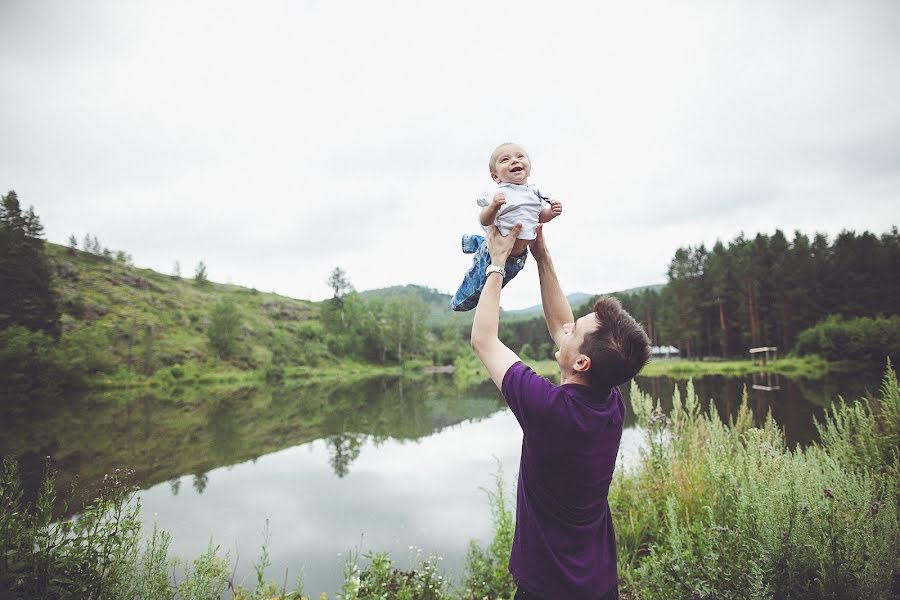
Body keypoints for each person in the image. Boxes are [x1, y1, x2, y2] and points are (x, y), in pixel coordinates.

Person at [470, 223, 652, 600]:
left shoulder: (549, 410)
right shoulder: (610, 401)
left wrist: (496, 264)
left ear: (582, 362)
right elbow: (560, 324)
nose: (565, 329)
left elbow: (484, 339)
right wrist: (541, 254)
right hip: (599, 584)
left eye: (574, 332)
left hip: (548, 588)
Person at [450, 142, 563, 311]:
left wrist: (551, 213)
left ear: (529, 169)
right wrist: (493, 206)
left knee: (496, 286)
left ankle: (475, 242)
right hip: (495, 253)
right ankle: (457, 302)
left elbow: (539, 216)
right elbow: (484, 220)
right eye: (505, 159)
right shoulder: (498, 194)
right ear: (495, 177)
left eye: (520, 156)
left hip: (517, 257)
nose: (514, 161)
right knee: (477, 284)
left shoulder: (534, 194)